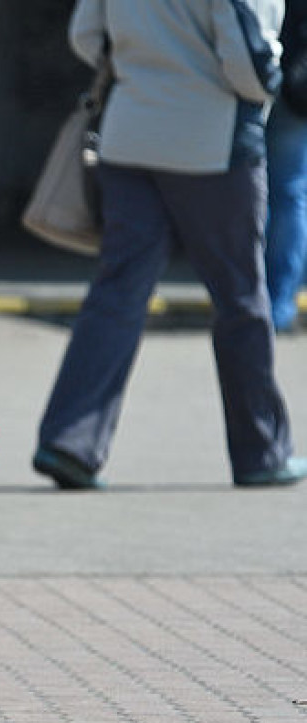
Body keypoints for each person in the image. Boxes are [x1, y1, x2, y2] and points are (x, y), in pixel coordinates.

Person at [33, 0, 307, 490]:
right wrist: (268, 84)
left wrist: (143, 70)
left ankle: (70, 442)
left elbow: (86, 34)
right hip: (214, 144)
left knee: (117, 293)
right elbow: (248, 62)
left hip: (129, 135)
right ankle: (260, 451)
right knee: (241, 299)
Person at [265, 0, 307, 332]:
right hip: (296, 80)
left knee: (249, 189)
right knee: (289, 195)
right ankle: (277, 305)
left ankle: (253, 301)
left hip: (263, 71)